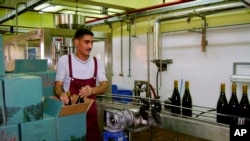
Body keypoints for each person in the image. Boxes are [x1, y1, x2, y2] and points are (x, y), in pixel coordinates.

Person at [54, 28, 108, 141]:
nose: (90, 46)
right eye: (86, 42)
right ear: (76, 42)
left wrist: (92, 90)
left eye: (92, 42)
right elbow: (57, 86)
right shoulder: (65, 60)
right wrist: (62, 95)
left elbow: (105, 86)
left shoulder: (96, 62)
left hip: (91, 114)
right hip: (72, 112)